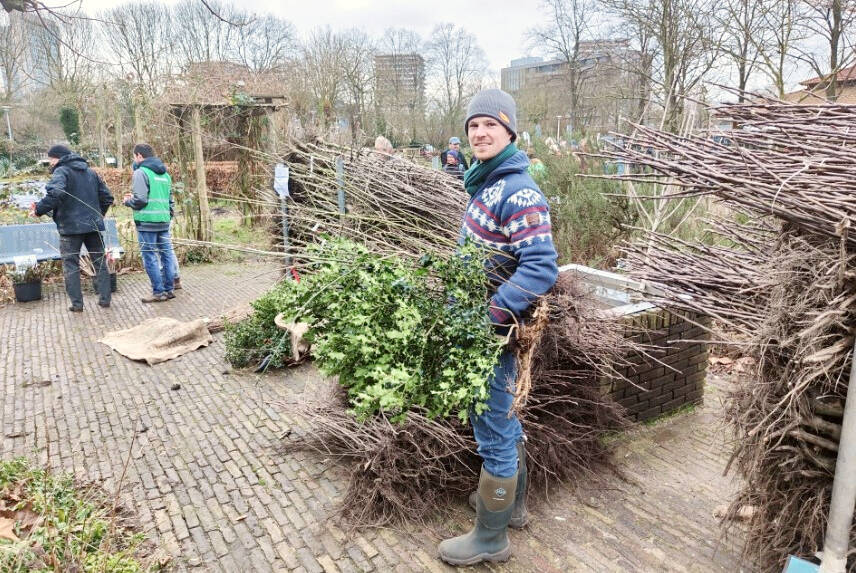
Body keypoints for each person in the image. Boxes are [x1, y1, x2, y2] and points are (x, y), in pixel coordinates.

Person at [438, 89, 558, 566]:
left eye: (490, 124)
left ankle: (491, 539)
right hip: (479, 325)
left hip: (494, 331)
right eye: (473, 126)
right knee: (502, 417)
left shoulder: (519, 190)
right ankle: (513, 507)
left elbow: (540, 267)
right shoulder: (486, 182)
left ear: (510, 131)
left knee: (492, 424)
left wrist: (493, 311)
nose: (480, 133)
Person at [30, 145, 113, 312]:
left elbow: (57, 193)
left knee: (71, 265)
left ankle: (77, 304)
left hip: (70, 229)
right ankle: (105, 300)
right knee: (100, 262)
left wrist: (38, 209)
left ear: (57, 158)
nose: (50, 164)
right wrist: (99, 214)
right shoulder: (91, 172)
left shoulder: (61, 172)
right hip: (93, 225)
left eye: (51, 160)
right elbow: (107, 197)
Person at [123, 143, 178, 303]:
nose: (134, 159)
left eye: (134, 156)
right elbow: (170, 201)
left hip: (147, 222)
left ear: (139, 156)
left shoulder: (141, 172)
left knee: (150, 257)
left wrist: (128, 201)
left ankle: (158, 292)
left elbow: (140, 200)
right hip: (163, 221)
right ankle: (169, 290)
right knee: (166, 255)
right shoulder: (165, 174)